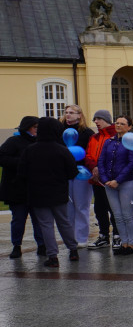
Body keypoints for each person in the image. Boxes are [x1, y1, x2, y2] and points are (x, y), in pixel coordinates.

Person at [17, 117, 79, 267]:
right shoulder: (62, 150)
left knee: (46, 225)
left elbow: (22, 173)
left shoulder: (30, 150)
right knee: (64, 222)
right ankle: (73, 250)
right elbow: (72, 172)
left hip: (38, 193)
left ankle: (52, 256)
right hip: (59, 193)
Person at [1, 116, 46, 258]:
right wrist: (22, 162)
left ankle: (42, 245)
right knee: (19, 219)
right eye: (35, 127)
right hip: (17, 189)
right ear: (27, 127)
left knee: (39, 219)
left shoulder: (41, 142)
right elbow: (2, 158)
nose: (37, 130)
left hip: (36, 188)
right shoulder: (13, 141)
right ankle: (16, 246)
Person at [98, 115, 133, 255]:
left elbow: (132, 163)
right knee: (117, 215)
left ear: (129, 127)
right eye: (117, 123)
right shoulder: (109, 142)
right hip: (109, 183)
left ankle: (131, 244)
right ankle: (124, 242)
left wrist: (118, 180)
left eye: (122, 123)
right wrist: (105, 179)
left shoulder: (131, 141)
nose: (118, 125)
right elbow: (101, 161)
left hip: (126, 182)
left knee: (127, 215)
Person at [59, 105, 94, 248]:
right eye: (66, 113)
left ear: (79, 115)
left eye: (71, 113)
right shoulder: (60, 130)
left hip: (82, 173)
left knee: (81, 206)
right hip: (64, 173)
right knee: (68, 206)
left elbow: (90, 153)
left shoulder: (86, 132)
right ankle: (71, 237)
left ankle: (81, 237)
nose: (68, 115)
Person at [85, 110, 119, 250]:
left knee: (113, 208)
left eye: (99, 119)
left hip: (110, 180)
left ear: (107, 120)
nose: (96, 122)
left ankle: (117, 236)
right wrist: (93, 167)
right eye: (95, 119)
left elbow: (116, 157)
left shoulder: (115, 136)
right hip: (96, 180)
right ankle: (103, 236)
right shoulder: (94, 137)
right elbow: (88, 155)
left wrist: (101, 168)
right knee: (99, 208)